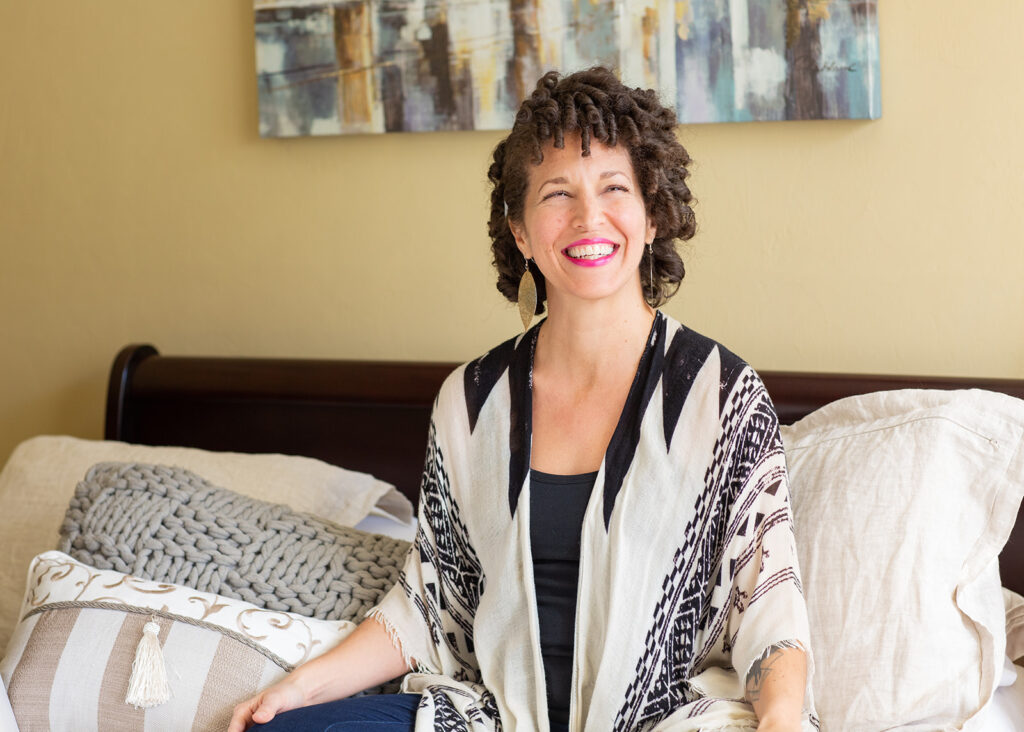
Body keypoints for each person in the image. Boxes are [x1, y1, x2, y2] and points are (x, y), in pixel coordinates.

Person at [230, 67, 816, 732]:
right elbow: (432, 606)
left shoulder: (720, 396)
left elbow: (768, 609)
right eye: (557, 193)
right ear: (520, 232)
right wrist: (300, 689)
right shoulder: (470, 403)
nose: (588, 217)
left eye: (614, 188)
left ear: (653, 214)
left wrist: (781, 721)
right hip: (498, 721)